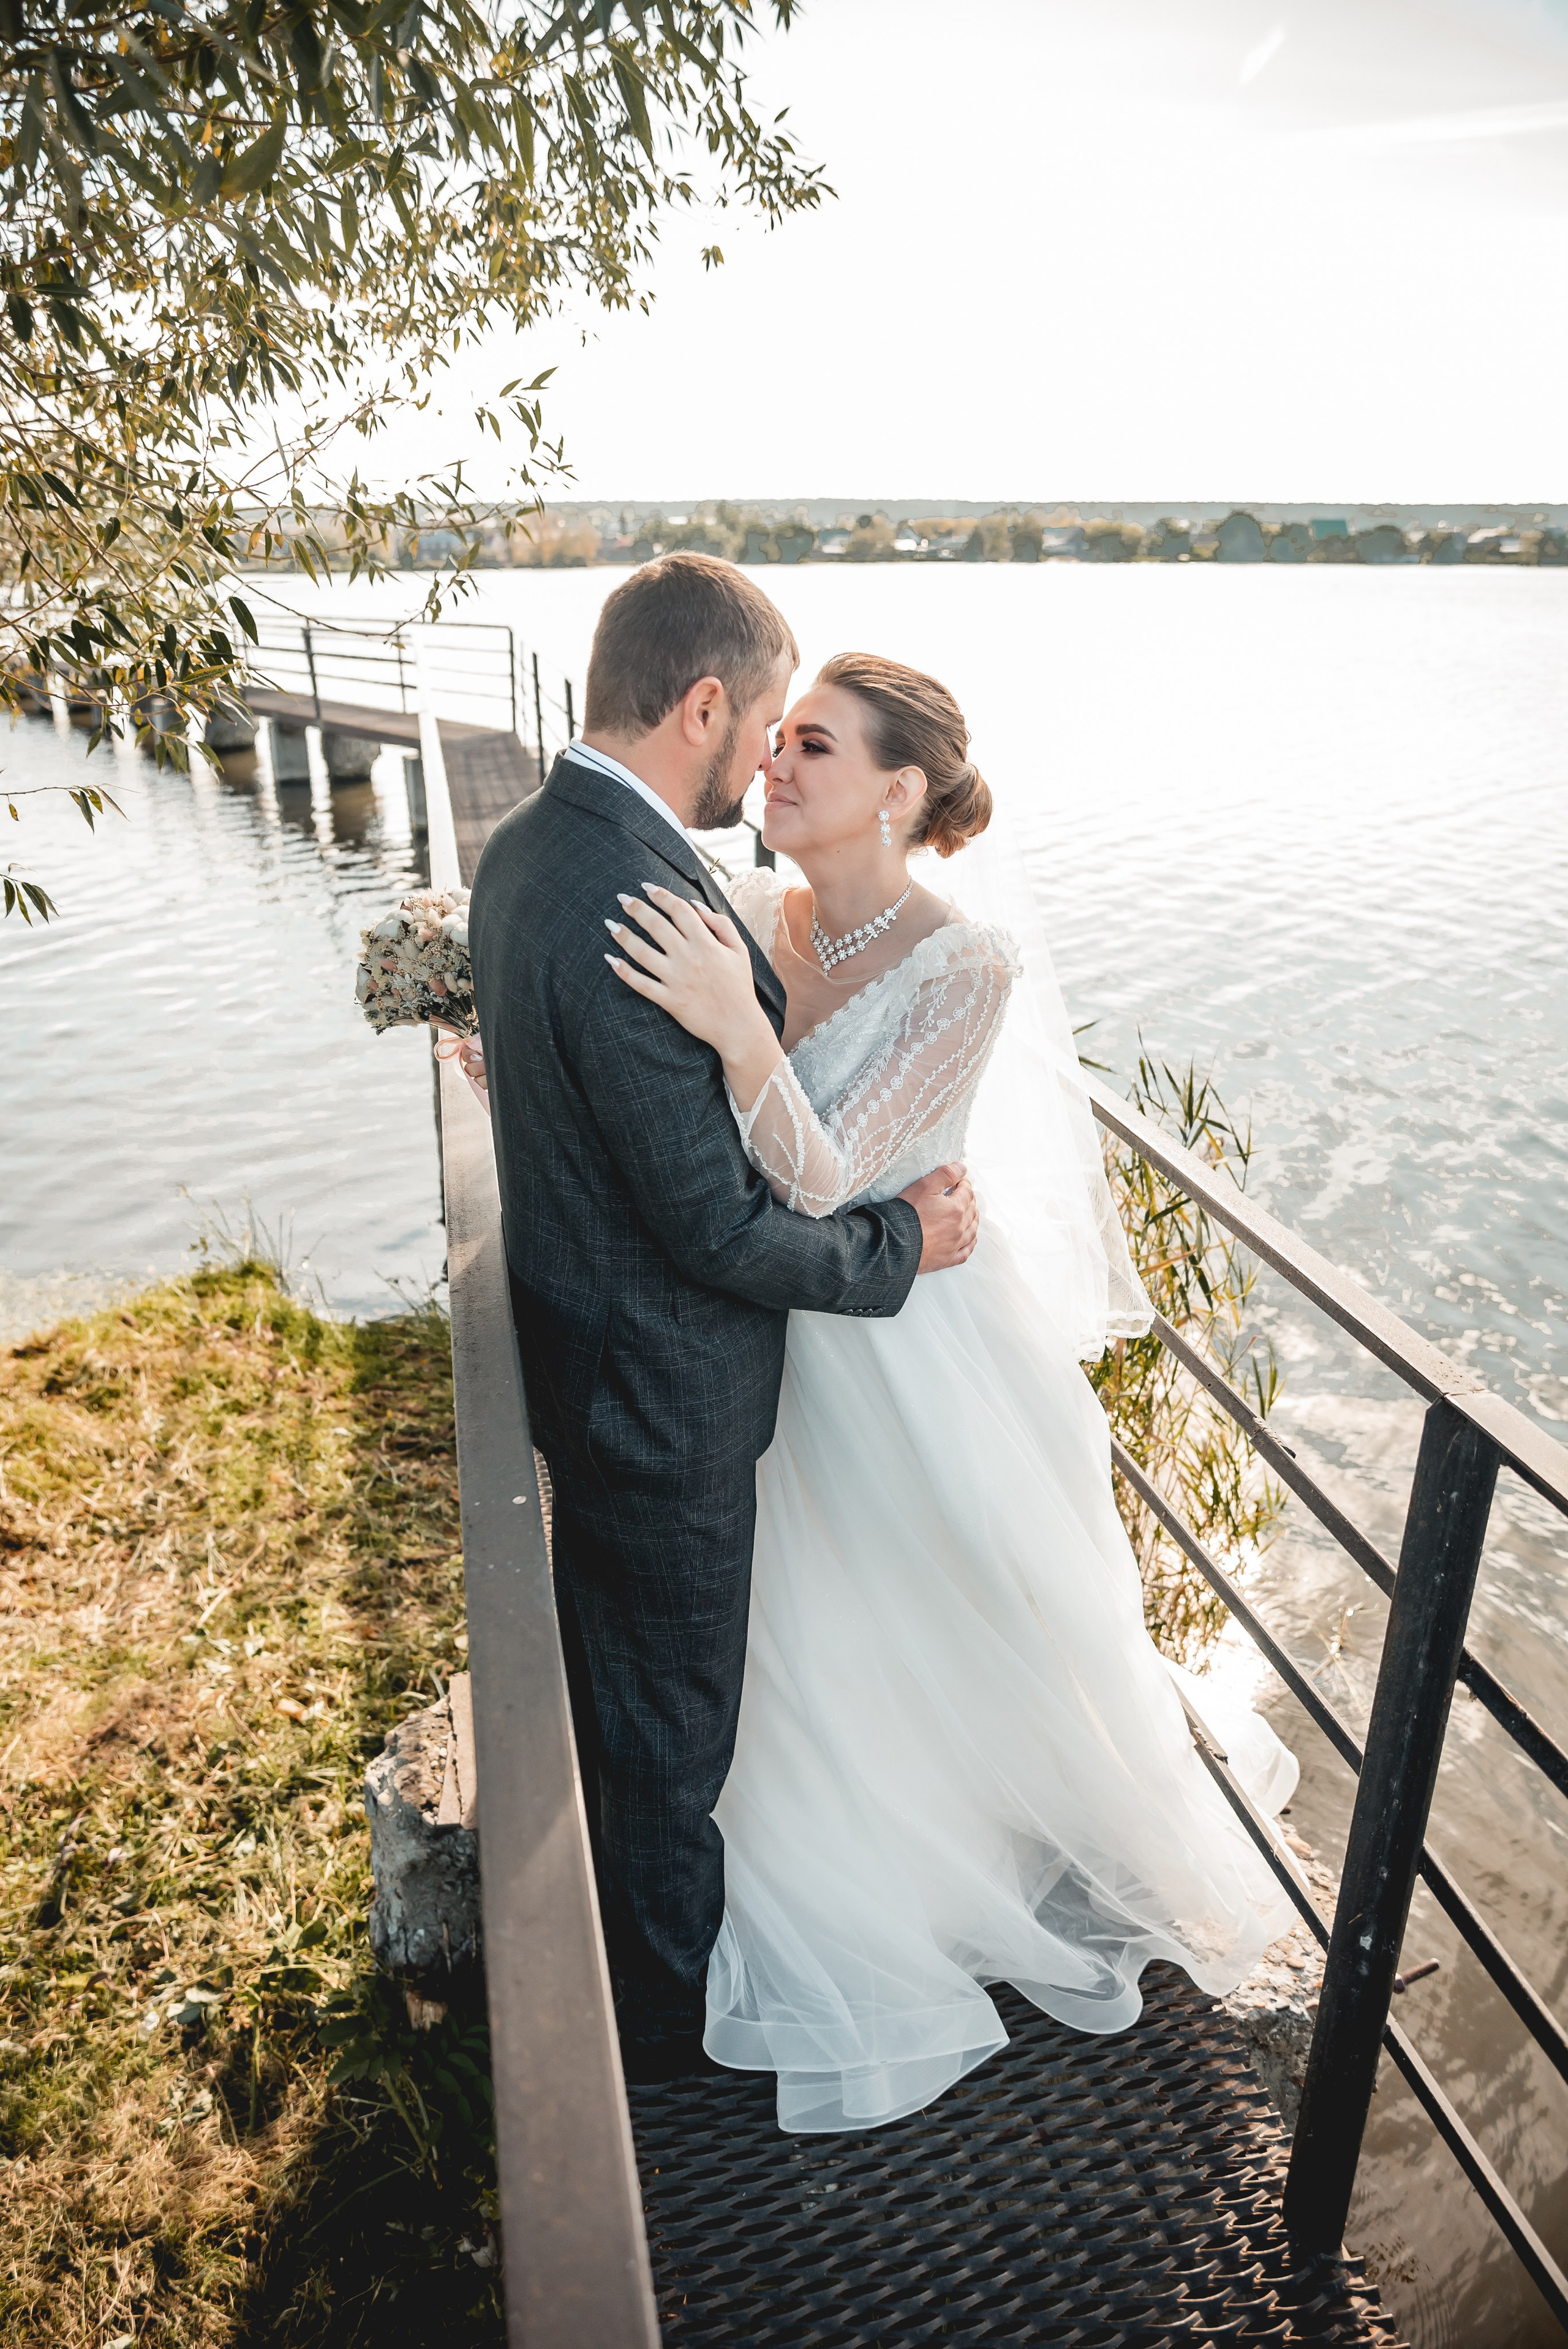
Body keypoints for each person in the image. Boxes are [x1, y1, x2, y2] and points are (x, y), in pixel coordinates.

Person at [603, 649, 1300, 2131]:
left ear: (901, 793)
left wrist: (738, 1030)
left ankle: (966, 1855)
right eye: (777, 741)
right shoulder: (752, 914)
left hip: (908, 1340)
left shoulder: (963, 962)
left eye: (816, 750)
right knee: (798, 1625)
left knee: (931, 1600)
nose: (773, 769)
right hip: (764, 1337)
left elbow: (825, 1176)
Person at [468, 559, 978, 2084]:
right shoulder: (634, 891)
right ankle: (666, 2059)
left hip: (599, 1361)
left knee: (630, 1697)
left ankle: (619, 1968)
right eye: (765, 721)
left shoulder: (525, 850)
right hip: (661, 1393)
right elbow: (713, 1222)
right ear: (705, 701)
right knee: (671, 1745)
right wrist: (903, 1242)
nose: (766, 753)